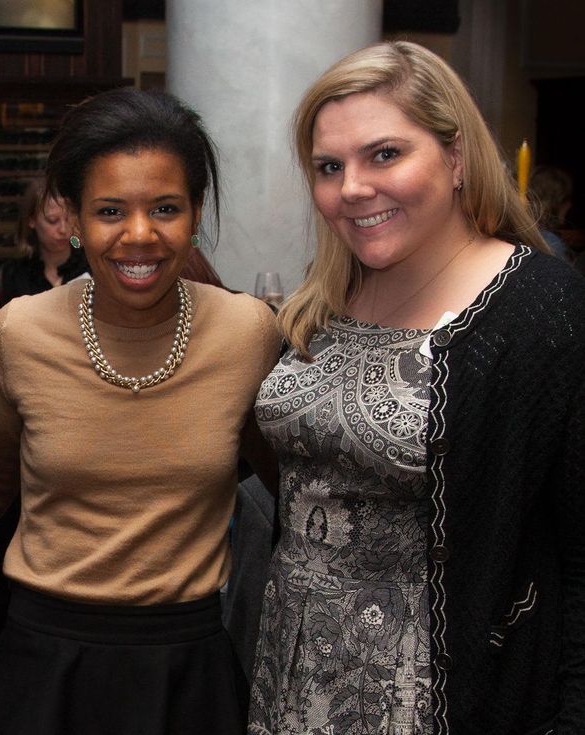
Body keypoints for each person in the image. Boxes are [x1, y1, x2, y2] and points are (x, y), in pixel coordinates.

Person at [247, 41, 585, 735]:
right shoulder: (327, 292)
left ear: (456, 157)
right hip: (294, 669)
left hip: (441, 694)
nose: (353, 188)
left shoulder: (541, 307)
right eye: (329, 167)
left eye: (385, 155)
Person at [0, 87, 281, 735]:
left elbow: (290, 486)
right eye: (109, 210)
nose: (140, 234)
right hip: (44, 662)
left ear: (195, 212)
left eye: (164, 208)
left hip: (189, 665)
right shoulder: (21, 331)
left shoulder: (247, 332)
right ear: (70, 219)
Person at [0, 176, 89, 304]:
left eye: (68, 219)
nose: (63, 229)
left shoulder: (91, 265)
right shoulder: (14, 274)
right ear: (32, 220)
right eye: (52, 220)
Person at [528, 164, 575, 263]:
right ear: (557, 203)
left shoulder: (522, 232)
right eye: (567, 198)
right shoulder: (551, 243)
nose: (570, 204)